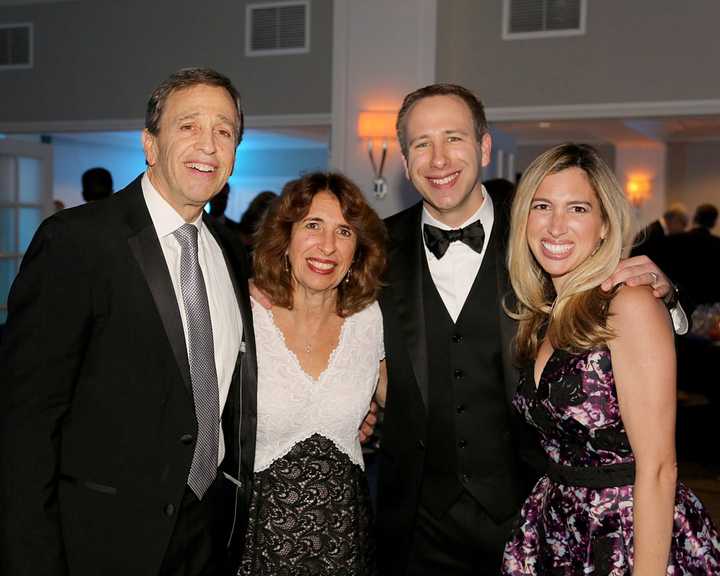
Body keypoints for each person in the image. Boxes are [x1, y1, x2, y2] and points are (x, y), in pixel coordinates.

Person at [375, 84, 680, 576]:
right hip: (417, 522)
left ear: (484, 147)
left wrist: (665, 295)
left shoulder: (541, 228)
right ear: (405, 161)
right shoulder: (375, 246)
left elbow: (618, 306)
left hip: (533, 513)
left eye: (453, 138)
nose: (438, 159)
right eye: (421, 144)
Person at [0, 68, 257, 576]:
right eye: (189, 126)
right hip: (102, 541)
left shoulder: (230, 250)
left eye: (224, 131)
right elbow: (24, 426)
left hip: (208, 534)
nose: (208, 144)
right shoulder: (76, 242)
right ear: (149, 143)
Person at [501, 143, 720, 574]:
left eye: (578, 209)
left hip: (628, 534)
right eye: (542, 205)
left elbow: (658, 468)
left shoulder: (628, 303)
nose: (556, 226)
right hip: (557, 525)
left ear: (604, 225)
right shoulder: (542, 312)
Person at [240, 172, 387, 575]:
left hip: (346, 546)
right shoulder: (242, 315)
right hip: (256, 545)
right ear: (284, 237)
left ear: (357, 250)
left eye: (343, 231)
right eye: (312, 225)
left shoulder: (370, 320)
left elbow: (415, 413)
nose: (327, 246)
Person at [663, 203, 720, 310]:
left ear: (695, 218)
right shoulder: (717, 244)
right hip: (710, 307)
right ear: (714, 223)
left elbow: (667, 273)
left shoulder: (674, 241)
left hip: (681, 305)